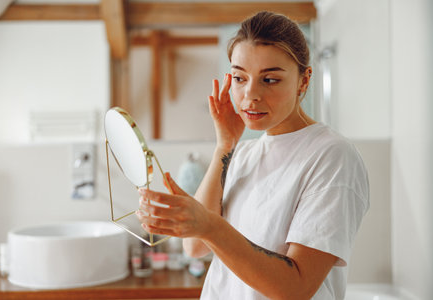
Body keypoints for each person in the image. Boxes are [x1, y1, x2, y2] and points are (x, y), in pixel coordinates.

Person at [135, 11, 369, 300]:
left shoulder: (331, 157)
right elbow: (194, 247)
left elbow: (297, 287)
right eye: (239, 78)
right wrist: (225, 145)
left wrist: (210, 226)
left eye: (269, 79)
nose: (250, 95)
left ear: (303, 81)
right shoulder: (241, 154)